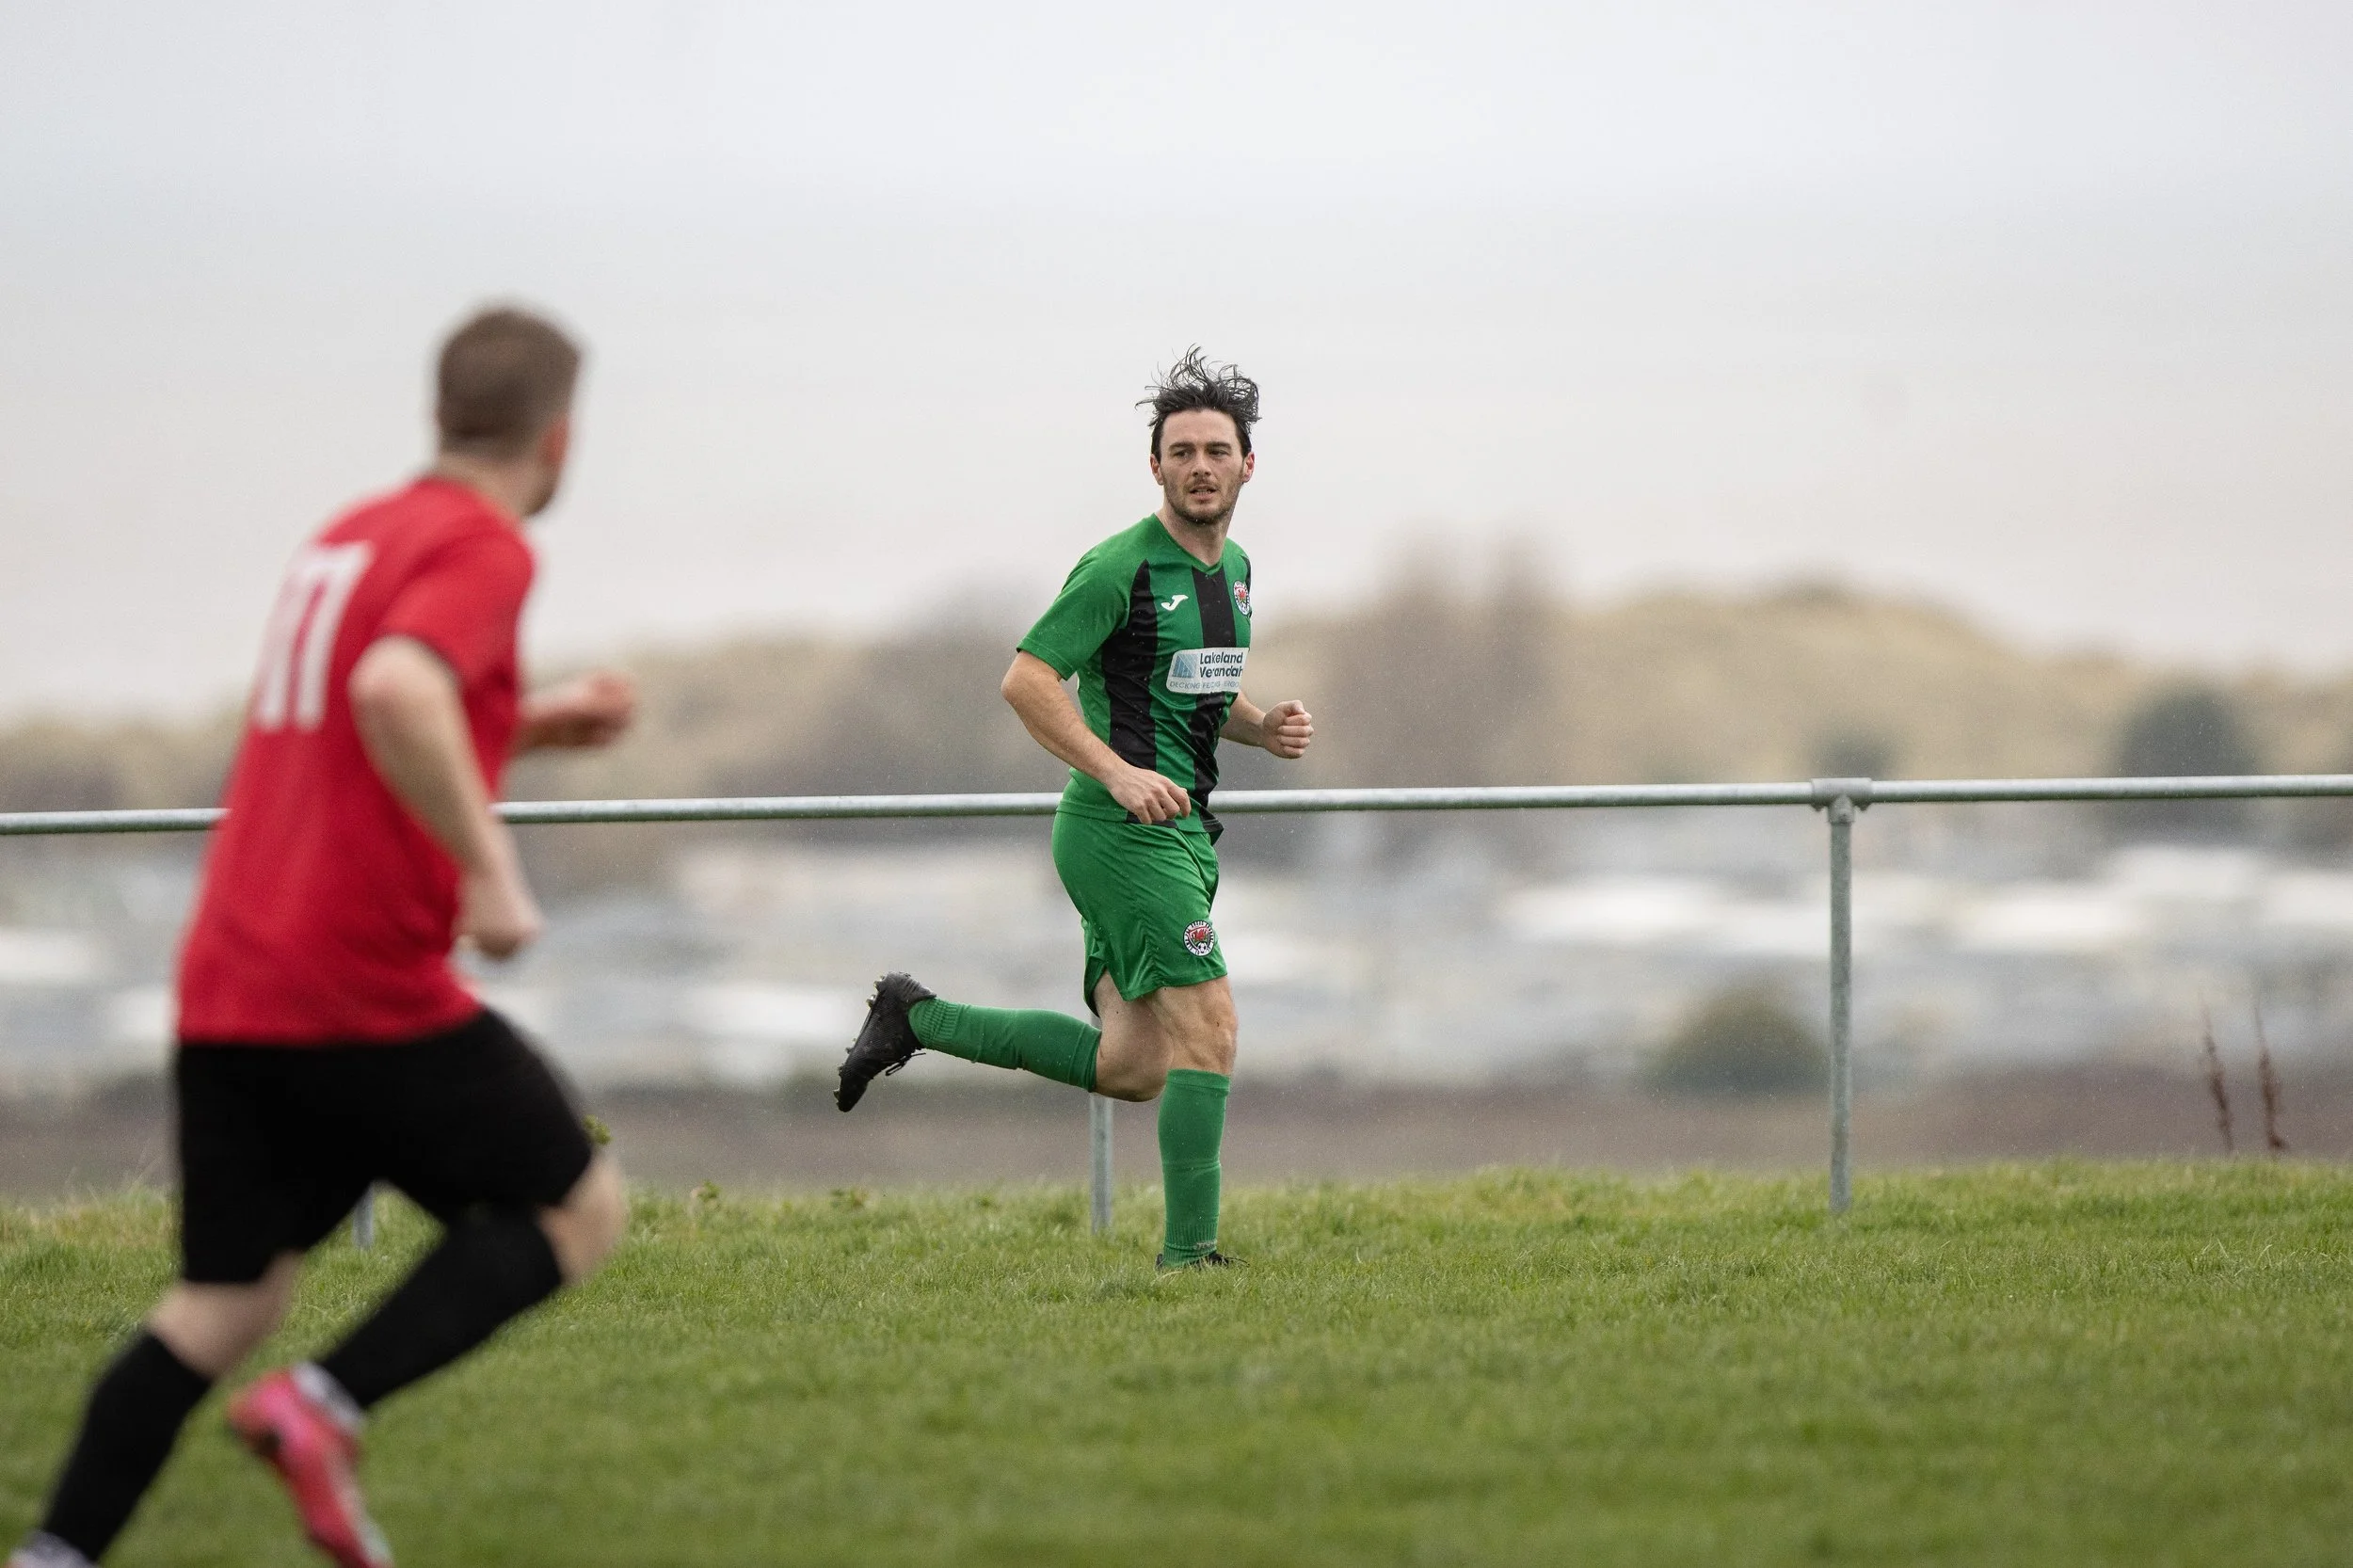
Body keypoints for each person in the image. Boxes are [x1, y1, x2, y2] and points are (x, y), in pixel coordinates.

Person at [10, 307, 637, 1568]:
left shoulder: (348, 535)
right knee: (578, 1207)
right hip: (358, 990)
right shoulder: (484, 545)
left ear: (437, 414)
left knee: (224, 1299)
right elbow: (397, 691)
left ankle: (53, 1555)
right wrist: (490, 873)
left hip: (234, 976)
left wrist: (527, 721)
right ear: (559, 437)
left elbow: (364, 728)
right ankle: (319, 1407)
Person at [836, 348, 1314, 1269]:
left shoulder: (1237, 568)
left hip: (1180, 833)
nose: (1200, 465)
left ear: (1248, 464)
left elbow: (1191, 691)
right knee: (1211, 1029)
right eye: (1182, 451)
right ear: (1156, 467)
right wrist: (1117, 772)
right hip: (1120, 834)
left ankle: (913, 1017)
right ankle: (1188, 1260)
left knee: (1133, 1067)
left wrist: (1260, 727)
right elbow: (1026, 681)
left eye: (1217, 449)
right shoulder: (1118, 567)